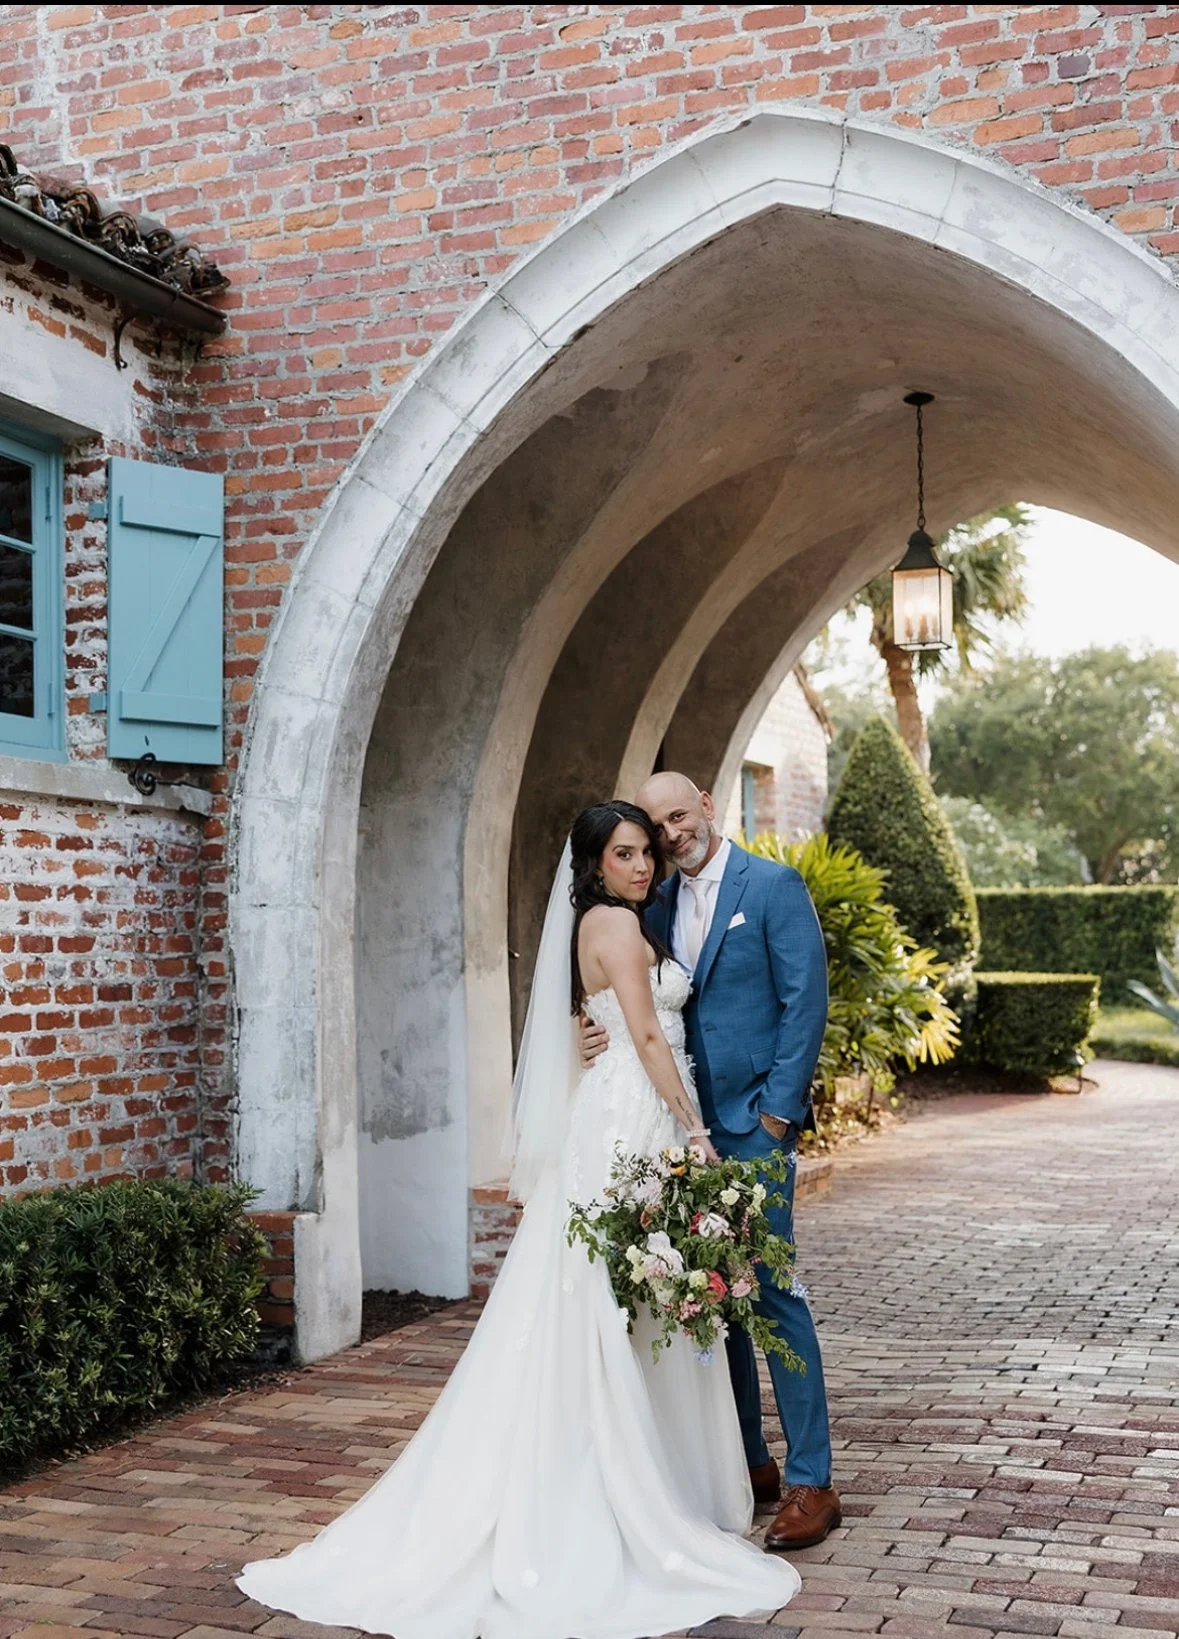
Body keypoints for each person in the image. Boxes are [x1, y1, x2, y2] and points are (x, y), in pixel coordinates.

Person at [237, 801, 800, 1639]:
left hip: (622, 1112)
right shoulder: (614, 924)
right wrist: (691, 1129)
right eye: (624, 853)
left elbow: (606, 1023)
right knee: (626, 1303)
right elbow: (646, 1033)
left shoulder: (605, 921)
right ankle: (608, 1488)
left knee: (636, 1300)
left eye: (646, 852)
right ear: (593, 862)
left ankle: (657, 1477)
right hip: (636, 1120)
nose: (641, 866)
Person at [580, 772, 840, 1552]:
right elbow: (628, 1002)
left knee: (771, 1294)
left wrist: (775, 1116)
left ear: (709, 808)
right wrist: (591, 1037)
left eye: (679, 815)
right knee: (706, 1299)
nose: (670, 833)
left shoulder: (773, 885)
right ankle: (749, 1459)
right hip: (676, 1126)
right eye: (655, 825)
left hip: (749, 1128)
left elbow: (806, 1003)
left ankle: (811, 1479)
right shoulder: (647, 903)